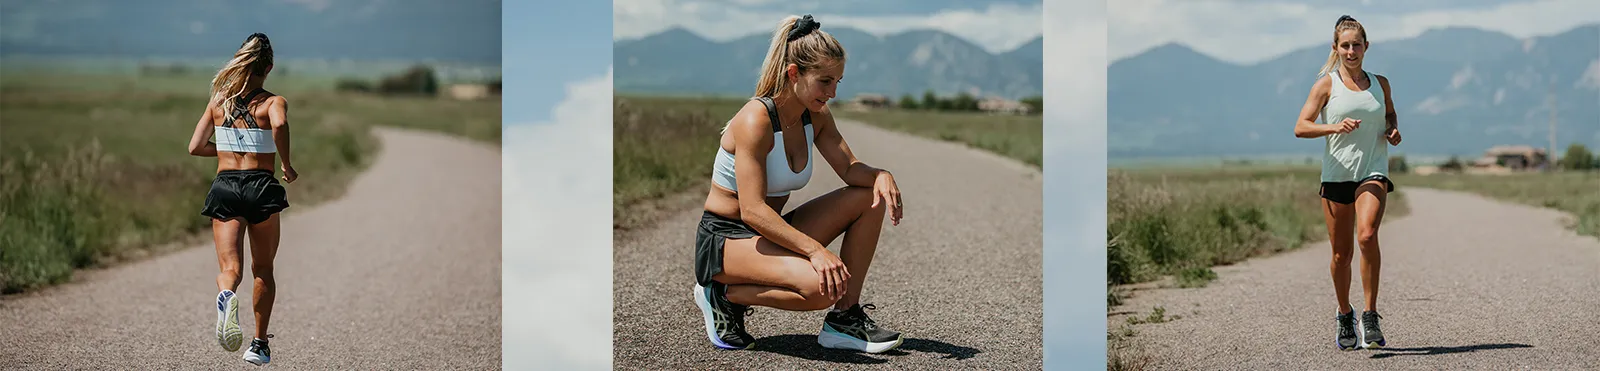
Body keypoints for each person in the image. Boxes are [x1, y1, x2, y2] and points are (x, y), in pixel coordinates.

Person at [691, 14, 907, 353]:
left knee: (869, 196)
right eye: (825, 81)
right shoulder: (755, 120)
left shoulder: (815, 116)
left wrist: (882, 175)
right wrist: (816, 251)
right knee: (822, 286)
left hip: (766, 235)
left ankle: (844, 319)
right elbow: (752, 211)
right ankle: (722, 293)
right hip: (726, 240)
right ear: (794, 74)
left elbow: (851, 170)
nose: (833, 92)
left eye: (838, 81)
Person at [1293, 15, 1402, 351]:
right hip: (1337, 173)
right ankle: (1344, 313)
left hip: (1372, 169)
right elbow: (1301, 126)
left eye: (1357, 45)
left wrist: (1393, 130)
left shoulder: (1381, 83)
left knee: (1367, 235)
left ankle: (1369, 315)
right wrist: (1333, 128)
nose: (1351, 50)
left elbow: (1389, 114)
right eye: (1345, 45)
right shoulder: (1326, 85)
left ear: (1366, 47)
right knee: (1341, 254)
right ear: (1336, 48)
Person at [186, 32, 296, 365]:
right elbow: (279, 125)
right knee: (263, 268)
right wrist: (287, 165)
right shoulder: (273, 101)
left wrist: (230, 149)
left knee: (230, 268)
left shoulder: (219, 100)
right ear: (270, 67)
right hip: (261, 186)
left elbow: (194, 147)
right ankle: (259, 344)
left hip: (225, 186)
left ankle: (226, 294)